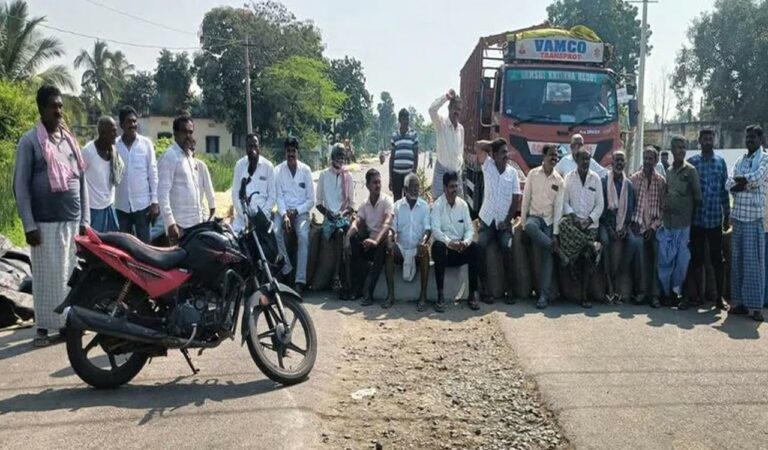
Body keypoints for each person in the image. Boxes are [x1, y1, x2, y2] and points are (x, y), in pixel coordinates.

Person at [13, 85, 89, 347]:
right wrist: (28, 224)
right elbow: (20, 186)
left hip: (72, 220)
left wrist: (85, 221)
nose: (58, 111)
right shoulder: (30, 141)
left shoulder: (68, 141)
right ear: (41, 109)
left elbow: (81, 181)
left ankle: (66, 324)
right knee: (46, 279)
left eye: (60, 106)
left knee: (68, 276)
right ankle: (43, 328)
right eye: (52, 106)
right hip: (43, 224)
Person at [726, 125, 768, 322]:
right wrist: (743, 184)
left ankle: (756, 307)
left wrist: (742, 182)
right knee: (738, 263)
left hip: (754, 218)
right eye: (747, 137)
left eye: (753, 137)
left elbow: (759, 178)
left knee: (755, 263)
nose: (749, 140)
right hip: (738, 218)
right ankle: (738, 303)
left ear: (761, 139)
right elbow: (729, 184)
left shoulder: (765, 158)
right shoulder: (740, 160)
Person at [473, 138, 522, 304]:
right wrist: (494, 143)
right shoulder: (488, 166)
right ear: (494, 155)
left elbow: (516, 199)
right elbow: (478, 146)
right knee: (480, 247)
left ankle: (511, 289)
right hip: (487, 220)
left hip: (504, 223)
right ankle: (485, 289)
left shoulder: (512, 173)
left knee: (507, 247)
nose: (506, 156)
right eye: (502, 152)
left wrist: (507, 221)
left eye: (506, 152)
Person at [687, 129, 730, 309]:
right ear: (699, 141)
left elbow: (724, 190)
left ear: (714, 140)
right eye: (705, 139)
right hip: (696, 220)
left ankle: (719, 298)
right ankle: (698, 296)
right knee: (696, 259)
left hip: (714, 220)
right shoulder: (692, 163)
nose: (708, 141)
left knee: (716, 260)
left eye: (710, 138)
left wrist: (727, 214)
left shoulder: (721, 163)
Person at [658, 136, 701, 309]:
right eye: (678, 147)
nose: (682, 151)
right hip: (668, 223)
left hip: (684, 224)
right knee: (665, 260)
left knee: (682, 262)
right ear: (672, 150)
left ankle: (677, 292)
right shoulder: (667, 172)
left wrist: (693, 222)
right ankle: (666, 293)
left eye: (684, 147)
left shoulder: (691, 171)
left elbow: (698, 197)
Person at [558, 148, 604, 308]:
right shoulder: (569, 178)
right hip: (573, 224)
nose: (585, 162)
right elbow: (564, 202)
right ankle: (592, 244)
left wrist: (589, 220)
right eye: (583, 159)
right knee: (562, 224)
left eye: (588, 159)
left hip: (590, 226)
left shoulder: (595, 179)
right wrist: (574, 218)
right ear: (576, 160)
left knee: (585, 256)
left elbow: (600, 205)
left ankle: (584, 296)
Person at [521, 144, 564, 309]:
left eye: (556, 156)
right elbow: (525, 199)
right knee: (530, 228)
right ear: (543, 157)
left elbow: (558, 209)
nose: (554, 158)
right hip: (534, 218)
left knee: (548, 256)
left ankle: (543, 296)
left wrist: (555, 234)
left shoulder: (559, 181)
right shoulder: (533, 174)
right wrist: (524, 223)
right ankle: (556, 249)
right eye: (551, 155)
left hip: (549, 221)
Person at [430, 170, 480, 312]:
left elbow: (470, 229)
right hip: (445, 251)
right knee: (438, 247)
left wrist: (465, 242)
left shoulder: (463, 205)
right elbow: (436, 230)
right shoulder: (437, 206)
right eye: (451, 187)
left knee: (475, 248)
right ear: (445, 188)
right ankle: (440, 295)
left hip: (460, 250)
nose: (455, 190)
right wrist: (450, 243)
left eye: (456, 186)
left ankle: (472, 294)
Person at [344, 168, 394, 306]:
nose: (378, 185)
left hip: (382, 241)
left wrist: (375, 241)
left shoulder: (386, 201)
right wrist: (348, 238)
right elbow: (356, 222)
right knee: (353, 243)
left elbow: (387, 224)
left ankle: (369, 293)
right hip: (369, 242)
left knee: (381, 245)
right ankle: (355, 288)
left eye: (379, 182)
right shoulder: (364, 204)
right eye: (374, 183)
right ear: (367, 185)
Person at [598, 151, 641, 304]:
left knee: (634, 243)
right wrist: (610, 228)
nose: (619, 163)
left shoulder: (628, 184)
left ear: (625, 163)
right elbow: (601, 208)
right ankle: (608, 281)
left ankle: (619, 274)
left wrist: (624, 227)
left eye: (622, 161)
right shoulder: (603, 182)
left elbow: (630, 208)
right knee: (605, 241)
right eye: (617, 160)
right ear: (612, 162)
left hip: (623, 224)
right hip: (606, 223)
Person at [274, 137, 314, 294]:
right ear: (285, 152)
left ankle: (300, 280)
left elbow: (311, 200)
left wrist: (296, 211)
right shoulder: (278, 171)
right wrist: (284, 215)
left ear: (298, 152)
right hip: (283, 211)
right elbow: (278, 197)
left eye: (293, 151)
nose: (290, 154)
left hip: (301, 213)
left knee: (303, 236)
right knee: (276, 231)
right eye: (288, 151)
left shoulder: (306, 171)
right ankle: (286, 268)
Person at [157, 115, 205, 245]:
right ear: (175, 133)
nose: (188, 135)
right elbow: (162, 193)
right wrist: (170, 223)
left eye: (190, 132)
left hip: (195, 225)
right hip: (179, 227)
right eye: (184, 132)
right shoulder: (170, 156)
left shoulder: (189, 156)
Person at [629, 146, 667, 308]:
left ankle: (655, 295)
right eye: (645, 158)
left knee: (658, 253)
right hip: (638, 225)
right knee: (639, 253)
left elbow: (664, 209)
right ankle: (641, 292)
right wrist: (634, 224)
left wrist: (653, 227)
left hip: (655, 227)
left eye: (651, 159)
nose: (647, 162)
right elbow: (629, 204)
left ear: (656, 161)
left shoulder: (661, 181)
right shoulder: (634, 179)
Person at [115, 105, 159, 243]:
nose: (133, 125)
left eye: (134, 121)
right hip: (121, 206)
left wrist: (154, 201)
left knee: (145, 247)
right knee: (124, 247)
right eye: (129, 122)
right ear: (121, 124)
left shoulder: (146, 144)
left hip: (143, 206)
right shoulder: (114, 145)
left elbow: (153, 172)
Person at [387, 173, 431, 311]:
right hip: (402, 250)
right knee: (388, 249)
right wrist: (389, 238)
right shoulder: (397, 206)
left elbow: (427, 229)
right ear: (405, 189)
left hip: (417, 250)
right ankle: (390, 295)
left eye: (417, 186)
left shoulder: (424, 206)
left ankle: (423, 296)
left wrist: (424, 242)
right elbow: (392, 228)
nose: (416, 190)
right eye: (412, 187)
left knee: (425, 252)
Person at [317, 143, 355, 297]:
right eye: (338, 156)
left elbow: (352, 205)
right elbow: (318, 203)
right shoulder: (324, 175)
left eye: (342, 157)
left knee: (343, 233)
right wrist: (329, 213)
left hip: (343, 217)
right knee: (339, 232)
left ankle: (338, 278)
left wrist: (343, 213)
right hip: (329, 219)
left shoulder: (349, 176)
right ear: (332, 157)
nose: (340, 159)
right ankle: (337, 278)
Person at [82, 116, 124, 233]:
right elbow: (78, 177)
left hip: (109, 205)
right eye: (113, 131)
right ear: (102, 133)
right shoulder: (88, 152)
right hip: (93, 208)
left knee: (112, 246)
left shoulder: (113, 151)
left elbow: (119, 170)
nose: (116, 134)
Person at [232, 134, 276, 232]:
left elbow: (272, 196)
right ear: (246, 148)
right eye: (250, 146)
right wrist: (244, 215)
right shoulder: (239, 165)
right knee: (234, 242)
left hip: (262, 217)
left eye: (255, 146)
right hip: (243, 219)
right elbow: (235, 194)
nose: (253, 149)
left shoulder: (268, 166)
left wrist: (261, 216)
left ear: (259, 147)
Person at [429, 88, 464, 199]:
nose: (456, 112)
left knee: (458, 207)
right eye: (454, 108)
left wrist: (460, 167)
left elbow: (460, 152)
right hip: (442, 174)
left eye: (459, 109)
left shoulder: (461, 129)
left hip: (456, 175)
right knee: (438, 207)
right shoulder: (441, 124)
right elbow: (431, 110)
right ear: (449, 108)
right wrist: (446, 97)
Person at [389, 108, 419, 200]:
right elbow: (392, 157)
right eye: (404, 119)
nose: (406, 121)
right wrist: (390, 177)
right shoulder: (394, 136)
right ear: (399, 120)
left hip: (408, 174)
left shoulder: (413, 135)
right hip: (396, 174)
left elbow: (416, 156)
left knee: (409, 200)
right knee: (397, 200)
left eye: (407, 118)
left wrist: (413, 173)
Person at [191, 139, 215, 222]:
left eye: (192, 149)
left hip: (200, 213)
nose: (190, 152)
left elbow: (209, 192)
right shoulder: (177, 166)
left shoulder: (201, 166)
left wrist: (212, 215)